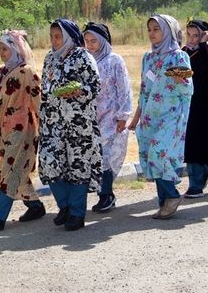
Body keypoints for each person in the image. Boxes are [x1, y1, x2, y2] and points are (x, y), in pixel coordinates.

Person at [0, 30, 46, 230]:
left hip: (21, 128)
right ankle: (35, 206)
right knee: (17, 169)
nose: (1, 53)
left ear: (16, 49)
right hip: (1, 127)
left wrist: (48, 126)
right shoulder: (1, 72)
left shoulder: (27, 72)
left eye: (5, 49)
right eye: (0, 49)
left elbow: (38, 101)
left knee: (10, 168)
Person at [128, 14, 193, 219]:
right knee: (150, 154)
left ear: (168, 31)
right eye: (150, 29)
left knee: (159, 153)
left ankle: (172, 196)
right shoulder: (148, 58)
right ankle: (164, 202)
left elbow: (188, 89)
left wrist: (179, 78)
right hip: (149, 117)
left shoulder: (179, 57)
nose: (152, 34)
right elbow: (145, 91)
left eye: (157, 29)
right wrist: (136, 119)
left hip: (171, 115)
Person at [39, 18, 102, 231]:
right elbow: (45, 88)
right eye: (52, 37)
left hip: (79, 123)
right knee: (50, 163)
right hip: (52, 122)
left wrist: (80, 91)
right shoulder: (49, 58)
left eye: (58, 37)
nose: (54, 41)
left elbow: (95, 86)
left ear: (68, 37)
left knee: (78, 167)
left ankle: (76, 213)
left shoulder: (83, 56)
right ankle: (64, 205)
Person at [82, 22, 132, 212]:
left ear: (103, 40)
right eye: (87, 41)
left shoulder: (114, 60)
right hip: (91, 118)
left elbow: (124, 88)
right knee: (95, 157)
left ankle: (106, 195)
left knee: (106, 157)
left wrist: (123, 115)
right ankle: (103, 193)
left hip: (111, 117)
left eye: (94, 41)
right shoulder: (86, 60)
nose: (90, 45)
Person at [181, 19, 208, 198]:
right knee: (191, 145)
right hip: (189, 107)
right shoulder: (183, 53)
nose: (191, 39)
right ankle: (195, 184)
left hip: (206, 108)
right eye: (189, 35)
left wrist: (205, 42)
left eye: (196, 35)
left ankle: (206, 171)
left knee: (206, 144)